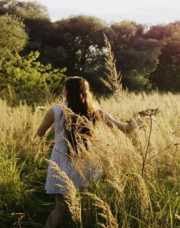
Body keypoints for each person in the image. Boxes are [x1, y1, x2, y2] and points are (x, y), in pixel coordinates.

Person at [36, 76, 148, 228]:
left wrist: (51, 126)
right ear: (86, 93)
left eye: (64, 88)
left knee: (60, 206)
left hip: (62, 161)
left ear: (67, 92)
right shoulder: (95, 111)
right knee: (86, 203)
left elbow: (40, 133)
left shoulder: (55, 111)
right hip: (86, 162)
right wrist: (142, 118)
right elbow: (125, 129)